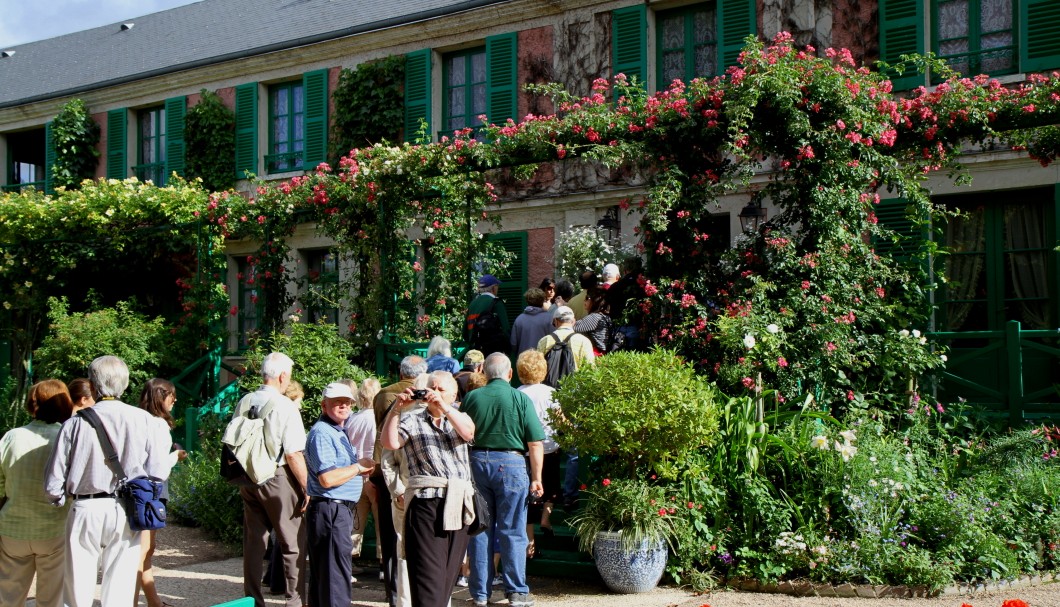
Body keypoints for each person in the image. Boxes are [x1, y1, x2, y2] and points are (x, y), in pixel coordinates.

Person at [43, 356, 173, 607]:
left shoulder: (74, 424)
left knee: (77, 588)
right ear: (124, 385)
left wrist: (60, 500)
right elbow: (158, 472)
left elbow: (52, 484)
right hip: (126, 507)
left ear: (92, 385)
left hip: (85, 507)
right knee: (120, 590)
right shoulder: (143, 420)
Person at [382, 371, 476, 607]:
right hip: (426, 504)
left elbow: (468, 433)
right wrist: (397, 408)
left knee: (446, 579)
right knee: (428, 579)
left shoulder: (459, 416)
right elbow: (390, 443)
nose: (434, 392)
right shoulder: (411, 419)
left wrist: (443, 407)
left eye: (441, 389)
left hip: (458, 503)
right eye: (431, 388)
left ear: (454, 394)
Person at [461, 353, 544, 607]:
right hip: (512, 463)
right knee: (513, 530)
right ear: (510, 374)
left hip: (477, 462)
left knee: (480, 529)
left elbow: (462, 433)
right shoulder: (520, 398)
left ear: (484, 373)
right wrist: (537, 478)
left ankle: (480, 594)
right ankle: (517, 591)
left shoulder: (473, 397)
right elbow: (535, 442)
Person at [234, 352, 309, 607]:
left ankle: (252, 600)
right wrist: (305, 486)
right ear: (282, 376)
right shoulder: (286, 406)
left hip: (247, 478)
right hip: (278, 478)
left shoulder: (244, 401)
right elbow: (294, 453)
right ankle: (294, 599)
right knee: (292, 542)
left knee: (254, 543)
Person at [0, 380, 74, 607]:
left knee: (9, 597)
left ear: (32, 404)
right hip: (54, 529)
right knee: (51, 598)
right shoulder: (67, 437)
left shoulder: (12, 437)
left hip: (13, 528)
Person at [305, 382, 376, 607]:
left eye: (347, 402)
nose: (343, 406)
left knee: (326, 577)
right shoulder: (322, 433)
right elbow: (327, 479)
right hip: (330, 510)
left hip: (334, 510)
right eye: (337, 402)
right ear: (323, 405)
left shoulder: (337, 430)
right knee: (334, 578)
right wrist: (358, 467)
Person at [372, 355, 428, 607]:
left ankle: (394, 593)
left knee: (392, 533)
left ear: (399, 371)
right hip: (407, 467)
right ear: (423, 375)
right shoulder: (425, 396)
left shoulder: (384, 394)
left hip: (389, 465)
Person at [136, 378, 188, 607]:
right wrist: (174, 457)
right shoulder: (158, 425)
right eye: (171, 396)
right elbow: (158, 469)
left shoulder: (137, 420)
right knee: (143, 550)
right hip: (150, 490)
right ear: (161, 396)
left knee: (145, 549)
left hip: (137, 488)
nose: (174, 400)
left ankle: (153, 600)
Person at [515, 351, 561, 560]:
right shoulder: (550, 393)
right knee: (551, 487)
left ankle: (530, 543)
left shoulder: (516, 393)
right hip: (549, 447)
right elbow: (560, 420)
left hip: (524, 451)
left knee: (529, 497)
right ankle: (546, 517)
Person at [350, 377, 381, 561]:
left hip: (355, 475)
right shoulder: (377, 419)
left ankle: (349, 559)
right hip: (372, 474)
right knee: (381, 523)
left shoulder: (353, 419)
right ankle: (383, 564)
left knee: (355, 523)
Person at [536, 306, 595, 371]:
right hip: (575, 380)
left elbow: (538, 368)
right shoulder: (583, 341)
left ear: (555, 321)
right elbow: (590, 367)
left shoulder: (544, 340)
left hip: (550, 380)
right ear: (574, 321)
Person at [464, 274, 510, 355]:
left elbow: (465, 332)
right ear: (493, 288)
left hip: (475, 351)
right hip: (493, 352)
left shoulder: (472, 304)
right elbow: (505, 329)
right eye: (497, 286)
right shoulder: (496, 303)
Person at [605, 257, 644, 349]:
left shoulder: (615, 287)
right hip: (638, 327)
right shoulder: (643, 286)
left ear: (625, 269)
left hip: (619, 327)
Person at [510, 288, 554, 356]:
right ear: (542, 301)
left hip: (524, 360)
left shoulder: (519, 319)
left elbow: (513, 344)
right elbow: (554, 341)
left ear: (527, 301)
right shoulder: (550, 318)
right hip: (543, 360)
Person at [574, 288, 614, 357]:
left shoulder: (595, 317)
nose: (584, 300)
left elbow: (571, 327)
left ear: (595, 300)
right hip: (603, 354)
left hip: (596, 355)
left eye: (587, 298)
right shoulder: (605, 316)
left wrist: (563, 311)